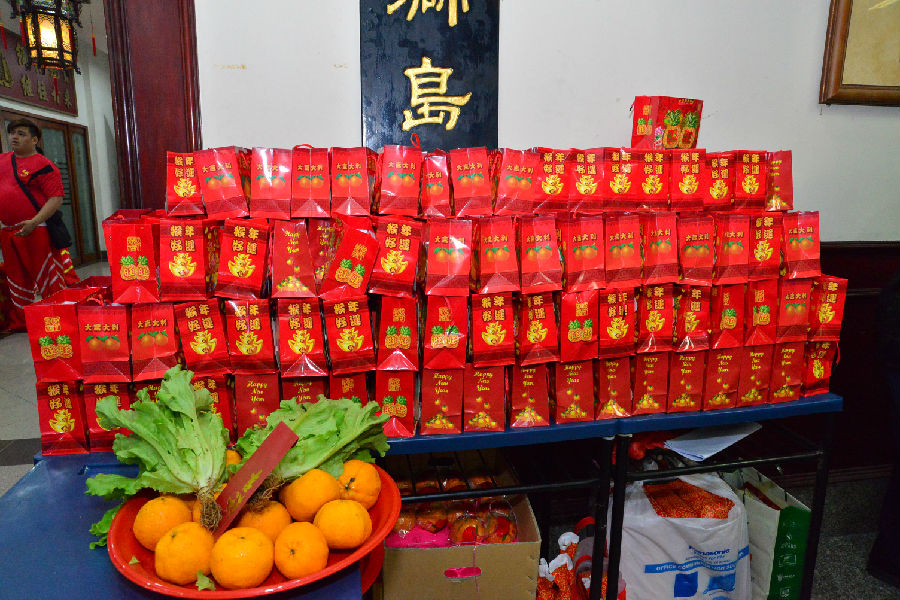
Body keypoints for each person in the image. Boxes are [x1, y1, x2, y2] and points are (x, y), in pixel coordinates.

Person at [0, 118, 78, 331]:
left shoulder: (45, 166)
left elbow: (55, 199)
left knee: (47, 275)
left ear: (34, 140)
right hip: (8, 230)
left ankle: (59, 317)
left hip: (37, 229)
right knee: (16, 277)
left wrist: (34, 222)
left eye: (21, 133)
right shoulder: (2, 160)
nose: (14, 137)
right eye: (12, 133)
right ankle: (22, 321)